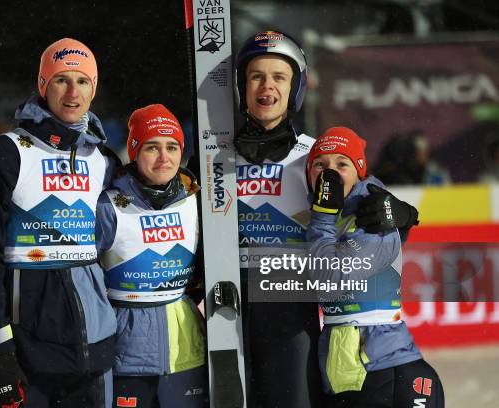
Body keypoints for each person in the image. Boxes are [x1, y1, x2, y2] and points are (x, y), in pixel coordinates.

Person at [233, 30, 421, 407]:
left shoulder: (315, 158)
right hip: (226, 303)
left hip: (288, 305)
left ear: (295, 87)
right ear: (242, 86)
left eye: (279, 77)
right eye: (256, 76)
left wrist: (402, 215)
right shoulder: (210, 159)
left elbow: (367, 195)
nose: (266, 86)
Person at [0, 38, 118, 408]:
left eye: (83, 81)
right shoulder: (4, 153)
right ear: (42, 85)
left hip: (94, 350)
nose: (72, 92)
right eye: (61, 79)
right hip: (26, 350)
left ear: (93, 89)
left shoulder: (103, 160)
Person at [306, 126, 444, 407]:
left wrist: (322, 217)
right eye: (320, 165)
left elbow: (330, 279)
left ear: (359, 172)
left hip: (391, 374)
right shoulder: (331, 218)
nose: (328, 174)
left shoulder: (373, 217)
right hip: (353, 376)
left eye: (341, 164)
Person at [95, 104, 207, 408]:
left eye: (172, 147)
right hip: (126, 356)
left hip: (186, 352)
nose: (164, 157)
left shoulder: (195, 200)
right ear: (134, 151)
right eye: (151, 147)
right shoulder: (108, 205)